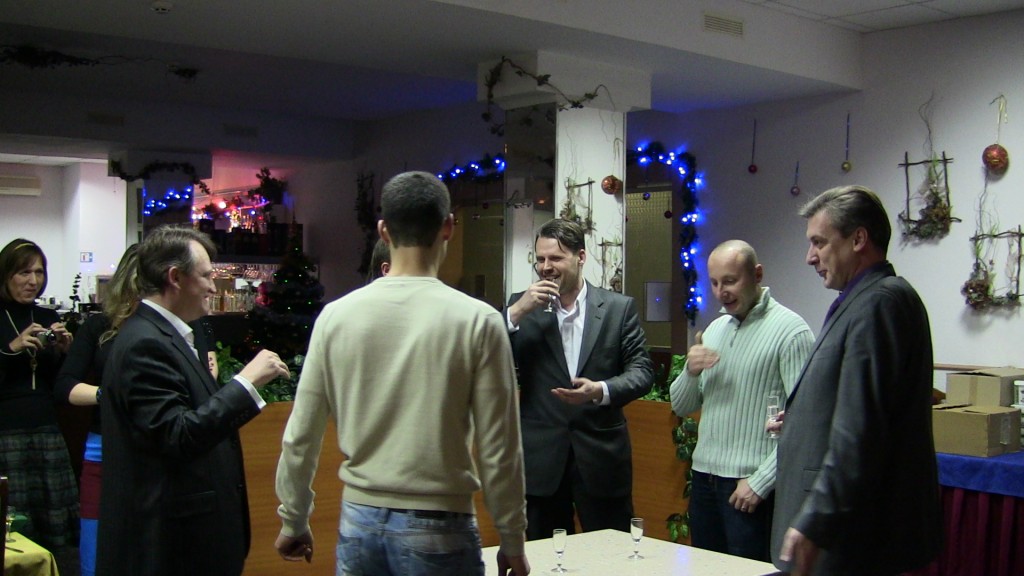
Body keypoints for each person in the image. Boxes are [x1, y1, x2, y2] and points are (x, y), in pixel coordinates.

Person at [275, 171, 529, 575]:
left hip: (358, 521)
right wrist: (512, 537)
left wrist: (294, 519)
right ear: (448, 227)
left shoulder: (335, 317)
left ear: (383, 231)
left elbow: (300, 435)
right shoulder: (478, 321)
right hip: (441, 523)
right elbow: (499, 449)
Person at [96, 226, 289, 576]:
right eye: (206, 276)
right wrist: (246, 382)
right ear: (175, 277)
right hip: (170, 545)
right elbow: (177, 435)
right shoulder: (145, 343)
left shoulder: (167, 335)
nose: (214, 287)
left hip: (187, 540)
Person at [771, 185, 942, 575]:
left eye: (819, 242)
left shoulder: (879, 302)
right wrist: (800, 420)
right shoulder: (863, 300)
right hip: (848, 532)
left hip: (852, 535)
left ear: (858, 239)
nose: (810, 256)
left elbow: (862, 429)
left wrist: (815, 521)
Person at [506, 218, 654, 540]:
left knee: (611, 553)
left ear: (581, 257)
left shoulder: (617, 308)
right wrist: (516, 312)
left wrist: (600, 390)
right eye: (540, 259)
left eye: (556, 258)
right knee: (543, 555)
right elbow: (486, 355)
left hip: (601, 458)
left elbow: (643, 371)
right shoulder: (521, 307)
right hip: (541, 460)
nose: (546, 267)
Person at [669, 239, 813, 561]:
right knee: (707, 569)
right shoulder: (715, 330)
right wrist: (690, 371)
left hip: (749, 485)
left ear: (757, 274)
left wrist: (761, 482)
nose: (721, 292)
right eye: (715, 283)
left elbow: (806, 425)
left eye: (730, 281)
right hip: (704, 480)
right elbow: (681, 406)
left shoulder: (791, 331)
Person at [55, 244, 141, 576]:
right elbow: (65, 386)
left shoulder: (185, 325)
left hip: (154, 452)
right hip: (103, 449)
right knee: (94, 558)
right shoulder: (99, 325)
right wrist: (109, 395)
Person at [0, 239, 79, 554]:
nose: (33, 281)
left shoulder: (47, 316)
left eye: (39, 272)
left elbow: (58, 384)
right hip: (6, 430)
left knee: (51, 529)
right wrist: (12, 348)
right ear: (6, 274)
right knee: (12, 527)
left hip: (46, 428)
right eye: (24, 272)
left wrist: (66, 353)